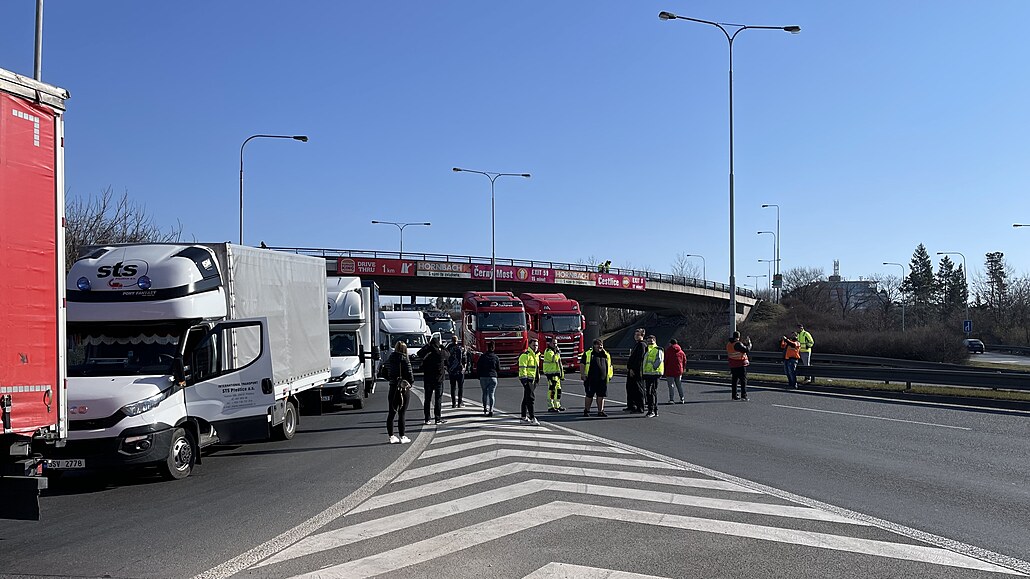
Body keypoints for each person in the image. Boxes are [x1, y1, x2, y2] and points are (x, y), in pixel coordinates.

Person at [385, 341, 414, 444]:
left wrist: (391, 379)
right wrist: (409, 383)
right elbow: (410, 375)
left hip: (393, 387)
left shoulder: (390, 358)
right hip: (403, 388)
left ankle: (391, 436)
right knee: (402, 413)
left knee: (391, 412)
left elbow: (384, 371)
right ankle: (402, 436)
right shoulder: (405, 359)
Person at [417, 336, 448, 425]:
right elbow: (448, 354)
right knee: (438, 399)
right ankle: (437, 418)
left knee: (427, 399)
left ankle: (427, 418)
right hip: (439, 379)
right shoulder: (440, 353)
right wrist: (442, 346)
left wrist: (427, 346)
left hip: (428, 379)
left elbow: (419, 353)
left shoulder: (427, 353)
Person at [581, 338, 612, 417]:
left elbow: (610, 366)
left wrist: (610, 376)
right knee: (589, 395)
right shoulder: (588, 354)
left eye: (601, 345)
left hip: (603, 379)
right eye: (598, 345)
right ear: (594, 345)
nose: (600, 346)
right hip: (591, 379)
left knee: (601, 395)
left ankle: (600, 411)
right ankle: (586, 410)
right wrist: (583, 374)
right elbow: (582, 364)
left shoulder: (606, 354)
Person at [518, 338, 541, 424]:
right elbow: (522, 368)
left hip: (534, 379)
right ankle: (532, 417)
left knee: (526, 398)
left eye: (536, 345)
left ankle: (523, 417)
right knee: (531, 398)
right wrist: (524, 380)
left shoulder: (536, 355)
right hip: (528, 380)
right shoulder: (525, 355)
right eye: (534, 345)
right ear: (529, 346)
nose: (535, 347)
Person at [624, 328, 647, 413]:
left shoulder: (642, 345)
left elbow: (639, 359)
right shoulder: (637, 344)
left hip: (637, 371)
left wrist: (633, 369)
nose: (636, 336)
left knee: (638, 389)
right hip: (631, 369)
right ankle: (631, 405)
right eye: (635, 335)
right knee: (630, 388)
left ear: (642, 335)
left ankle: (640, 407)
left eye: (638, 335)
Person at [642, 334, 665, 417]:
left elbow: (659, 360)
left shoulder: (658, 349)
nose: (650, 343)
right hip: (647, 374)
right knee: (648, 392)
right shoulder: (647, 350)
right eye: (648, 341)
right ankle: (652, 410)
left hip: (655, 374)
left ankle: (653, 410)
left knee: (652, 392)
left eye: (651, 341)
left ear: (655, 341)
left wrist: (654, 368)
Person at [541, 338, 566, 412]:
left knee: (558, 390)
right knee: (552, 390)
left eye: (556, 343)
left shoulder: (554, 351)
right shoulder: (548, 351)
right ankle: (551, 406)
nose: (556, 345)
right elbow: (554, 359)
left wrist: (562, 375)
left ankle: (557, 405)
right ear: (550, 343)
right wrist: (557, 353)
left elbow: (559, 363)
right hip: (551, 374)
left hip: (556, 374)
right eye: (554, 343)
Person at [727, 331, 752, 401]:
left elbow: (738, 349)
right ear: (738, 337)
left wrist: (743, 344)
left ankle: (734, 396)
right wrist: (749, 343)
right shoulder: (737, 344)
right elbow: (746, 349)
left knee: (734, 380)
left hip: (733, 364)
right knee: (743, 380)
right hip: (740, 364)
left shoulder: (729, 344)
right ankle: (744, 396)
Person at [477, 341, 501, 416]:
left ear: (487, 347)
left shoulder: (482, 357)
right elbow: (498, 368)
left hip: (483, 376)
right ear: (494, 348)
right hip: (493, 377)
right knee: (492, 394)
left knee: (484, 393)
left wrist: (479, 376)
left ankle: (484, 408)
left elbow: (478, 367)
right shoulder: (496, 357)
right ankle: (491, 409)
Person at [446, 336, 469, 408]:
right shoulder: (461, 348)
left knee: (453, 387)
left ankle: (453, 403)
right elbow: (464, 358)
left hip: (452, 370)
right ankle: (459, 402)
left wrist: (447, 367)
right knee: (460, 387)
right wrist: (464, 368)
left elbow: (446, 358)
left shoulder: (449, 348)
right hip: (460, 370)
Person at [663, 338, 687, 404]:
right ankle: (682, 399)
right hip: (678, 371)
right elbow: (684, 361)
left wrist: (664, 369)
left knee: (671, 386)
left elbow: (665, 361)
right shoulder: (681, 352)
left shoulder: (668, 351)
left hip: (670, 370)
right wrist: (682, 369)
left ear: (670, 343)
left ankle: (671, 399)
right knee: (679, 385)